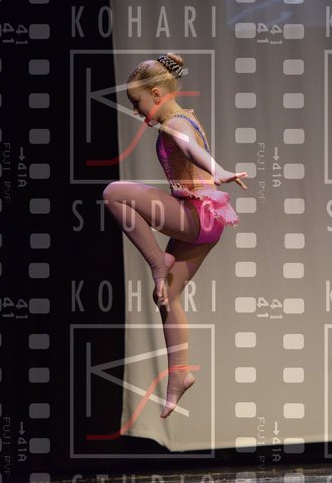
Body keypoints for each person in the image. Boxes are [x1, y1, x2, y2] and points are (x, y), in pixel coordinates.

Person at [103, 52, 248, 419]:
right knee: (167, 295)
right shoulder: (186, 116)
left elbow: (188, 147)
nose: (135, 111)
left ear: (155, 94)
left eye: (136, 102)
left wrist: (217, 169)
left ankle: (155, 266)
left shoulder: (174, 124)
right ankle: (178, 377)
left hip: (196, 215)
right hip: (208, 221)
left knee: (114, 193)